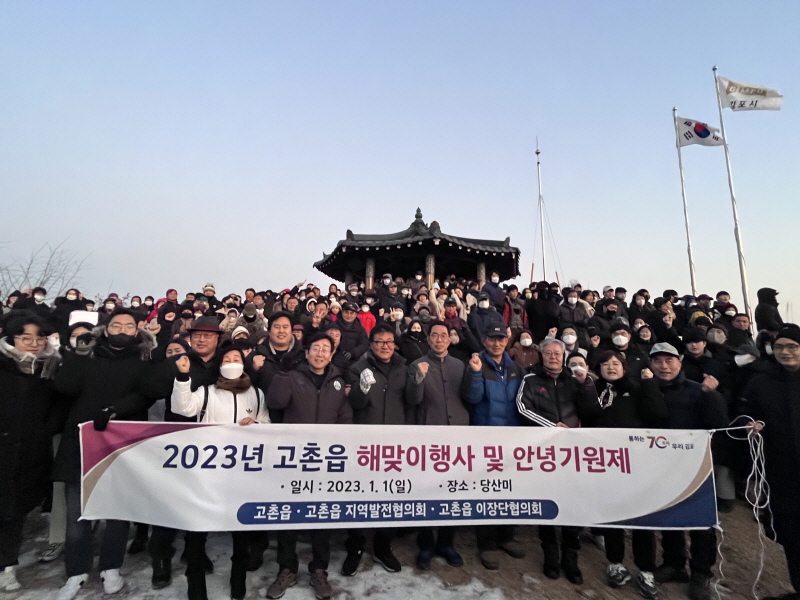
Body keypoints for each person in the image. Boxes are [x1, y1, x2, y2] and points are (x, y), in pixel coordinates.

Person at [53, 309, 160, 600]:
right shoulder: (89, 354)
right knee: (78, 512)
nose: (122, 330)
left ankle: (111, 566)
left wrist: (116, 410)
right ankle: (76, 570)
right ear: (106, 328)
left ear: (137, 330)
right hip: (81, 441)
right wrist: (78, 354)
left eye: (128, 325)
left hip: (121, 442)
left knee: (117, 509)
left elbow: (148, 392)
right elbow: (65, 386)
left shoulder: (144, 358)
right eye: (116, 325)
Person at [171, 348, 269, 600]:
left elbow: (266, 422)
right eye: (227, 359)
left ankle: (238, 578)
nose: (232, 363)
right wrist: (183, 377)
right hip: (207, 471)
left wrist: (256, 425)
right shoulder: (207, 392)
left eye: (236, 359)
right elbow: (183, 408)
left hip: (242, 473)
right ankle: (195, 583)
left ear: (244, 364)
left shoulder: (256, 394)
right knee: (198, 528)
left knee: (240, 529)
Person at [265, 333, 353, 600]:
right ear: (307, 353)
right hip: (294, 457)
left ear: (331, 355)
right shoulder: (292, 377)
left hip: (324, 459)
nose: (320, 353)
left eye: (326, 349)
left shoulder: (337, 382)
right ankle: (287, 568)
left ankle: (319, 570)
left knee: (321, 515)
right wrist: (282, 374)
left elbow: (344, 418)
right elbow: (276, 403)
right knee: (289, 515)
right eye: (316, 348)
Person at [515, 337, 600, 585]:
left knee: (573, 502)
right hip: (543, 451)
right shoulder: (530, 379)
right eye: (548, 353)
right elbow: (522, 408)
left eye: (557, 353)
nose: (553, 357)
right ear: (541, 355)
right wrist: (551, 427)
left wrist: (585, 384)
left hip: (573, 451)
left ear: (564, 356)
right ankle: (550, 554)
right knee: (547, 501)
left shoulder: (574, 380)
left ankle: (571, 556)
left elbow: (592, 411)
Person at [649, 342, 728, 600]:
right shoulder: (647, 391)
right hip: (660, 466)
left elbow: (719, 427)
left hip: (696, 468)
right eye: (658, 361)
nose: (663, 366)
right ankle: (674, 563)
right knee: (668, 515)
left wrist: (713, 395)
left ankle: (701, 573)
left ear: (679, 362)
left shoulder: (699, 391)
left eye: (669, 360)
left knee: (701, 522)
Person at [585, 351, 667, 598]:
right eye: (605, 364)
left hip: (636, 461)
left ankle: (646, 569)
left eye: (615, 363)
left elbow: (657, 415)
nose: (611, 367)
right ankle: (615, 563)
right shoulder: (594, 390)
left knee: (641, 517)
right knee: (613, 514)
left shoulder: (637, 388)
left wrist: (649, 383)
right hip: (605, 461)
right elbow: (587, 416)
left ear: (624, 367)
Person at [0, 316, 61, 592]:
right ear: (11, 339)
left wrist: (43, 431)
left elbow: (56, 408)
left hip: (29, 453)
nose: (34, 344)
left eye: (39, 338)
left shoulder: (49, 370)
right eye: (26, 338)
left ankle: (7, 565)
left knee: (14, 512)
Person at [341, 324, 408, 576]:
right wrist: (362, 388)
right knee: (360, 493)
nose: (384, 346)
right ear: (371, 344)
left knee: (390, 494)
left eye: (389, 341)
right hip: (365, 442)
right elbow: (356, 403)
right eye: (379, 342)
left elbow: (411, 401)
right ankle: (356, 545)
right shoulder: (357, 368)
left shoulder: (404, 368)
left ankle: (383, 546)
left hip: (394, 442)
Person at [740, 326, 800, 600]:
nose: (785, 352)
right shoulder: (761, 382)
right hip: (780, 470)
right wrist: (750, 424)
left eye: (792, 346)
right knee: (791, 533)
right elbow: (745, 413)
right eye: (779, 347)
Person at [405, 320, 469, 570]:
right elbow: (413, 399)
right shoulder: (417, 364)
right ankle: (426, 544)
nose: (439, 339)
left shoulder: (460, 365)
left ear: (450, 339)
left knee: (452, 490)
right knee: (427, 490)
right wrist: (418, 379)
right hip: (428, 435)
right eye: (435, 335)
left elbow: (468, 397)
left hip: (457, 436)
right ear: (428, 339)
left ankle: (446, 543)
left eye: (444, 335)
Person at [465, 323, 526, 570]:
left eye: (501, 339)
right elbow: (472, 397)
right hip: (486, 438)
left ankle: (507, 536)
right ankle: (487, 542)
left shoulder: (516, 368)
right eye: (492, 338)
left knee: (510, 488)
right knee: (488, 490)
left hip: (511, 438)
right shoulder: (476, 364)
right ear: (484, 340)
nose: (497, 343)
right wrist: (475, 373)